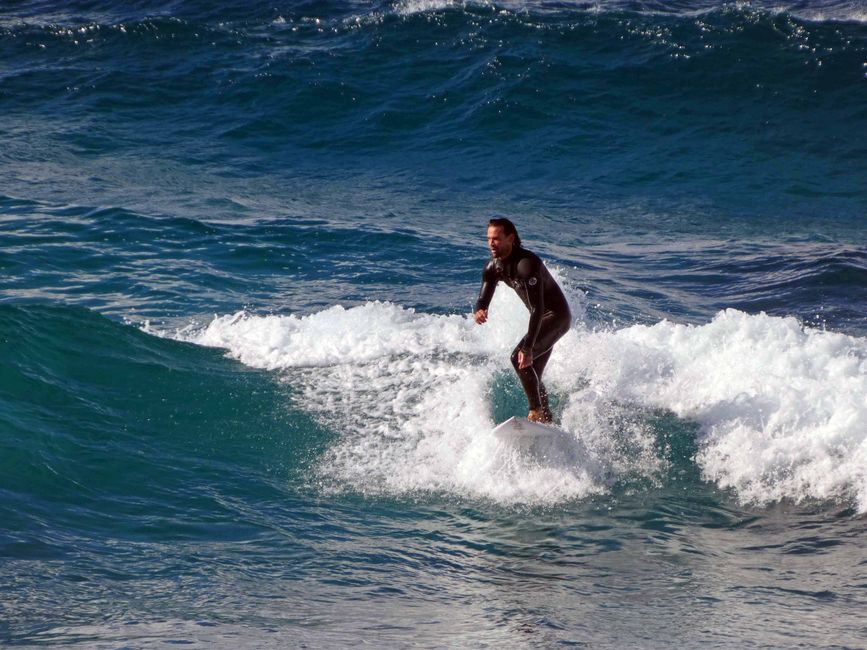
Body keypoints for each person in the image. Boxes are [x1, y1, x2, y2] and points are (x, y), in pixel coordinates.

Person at [474, 218, 571, 424]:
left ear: (510, 238)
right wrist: (480, 309)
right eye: (489, 239)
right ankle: (547, 418)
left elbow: (538, 309)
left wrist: (527, 348)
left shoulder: (526, 264)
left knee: (518, 358)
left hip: (556, 318)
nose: (491, 243)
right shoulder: (493, 267)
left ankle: (536, 411)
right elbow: (483, 297)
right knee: (532, 371)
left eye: (497, 239)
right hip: (543, 319)